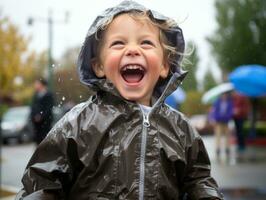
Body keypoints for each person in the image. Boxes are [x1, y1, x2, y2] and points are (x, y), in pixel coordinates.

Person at [16, 1, 223, 199]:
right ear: (99, 66)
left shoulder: (181, 129)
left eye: (146, 43)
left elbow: (198, 179)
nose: (132, 50)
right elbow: (42, 183)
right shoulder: (77, 125)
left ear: (164, 66)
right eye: (118, 43)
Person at [30, 78, 54, 145]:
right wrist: (34, 116)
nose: (35, 85)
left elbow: (49, 108)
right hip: (36, 124)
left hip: (45, 122)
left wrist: (41, 116)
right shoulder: (35, 95)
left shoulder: (48, 94)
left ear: (42, 84)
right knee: (38, 141)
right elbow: (33, 107)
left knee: (45, 140)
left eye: (37, 83)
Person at [212, 92, 233, 161]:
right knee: (218, 136)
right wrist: (218, 117)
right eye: (223, 95)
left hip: (226, 121)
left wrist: (226, 117)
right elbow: (215, 112)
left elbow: (230, 112)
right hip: (219, 122)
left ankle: (227, 148)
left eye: (225, 95)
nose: (224, 96)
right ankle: (218, 149)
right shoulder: (217, 102)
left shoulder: (229, 102)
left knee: (227, 136)